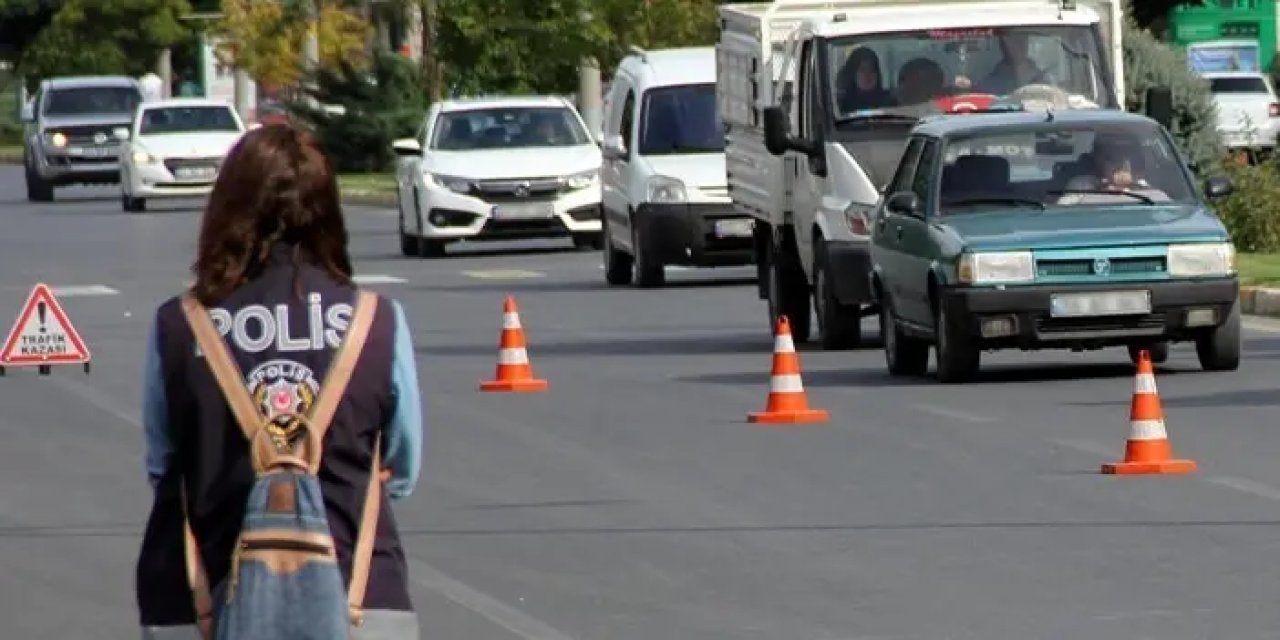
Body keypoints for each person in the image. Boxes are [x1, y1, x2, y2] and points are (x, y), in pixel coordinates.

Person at [135, 124, 424, 639]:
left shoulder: (179, 326)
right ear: (329, 211)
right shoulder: (376, 322)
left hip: (197, 597)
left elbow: (162, 464)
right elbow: (402, 466)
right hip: (358, 595)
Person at [980, 31, 1047, 95]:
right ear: (1003, 46)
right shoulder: (989, 83)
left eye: (1023, 41)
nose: (1020, 46)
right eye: (1015, 42)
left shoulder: (1043, 80)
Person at [837, 47, 896, 112]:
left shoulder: (890, 102)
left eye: (872, 70)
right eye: (862, 70)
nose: (868, 75)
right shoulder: (842, 105)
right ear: (853, 74)